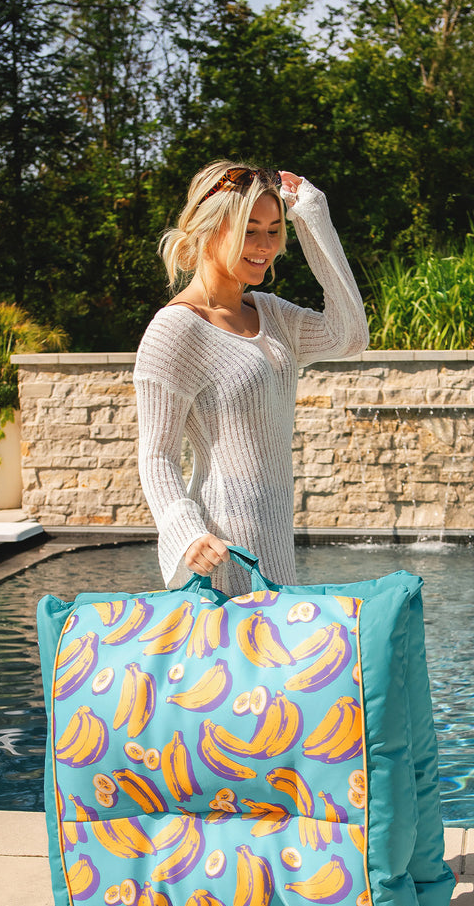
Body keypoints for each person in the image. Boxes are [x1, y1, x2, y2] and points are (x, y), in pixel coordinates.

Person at [134, 161, 369, 596]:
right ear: (210, 228)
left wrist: (313, 216)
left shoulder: (272, 313)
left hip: (275, 544)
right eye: (249, 230)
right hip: (220, 551)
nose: (265, 246)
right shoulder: (176, 330)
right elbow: (156, 455)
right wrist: (187, 533)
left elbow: (350, 335)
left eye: (275, 229)